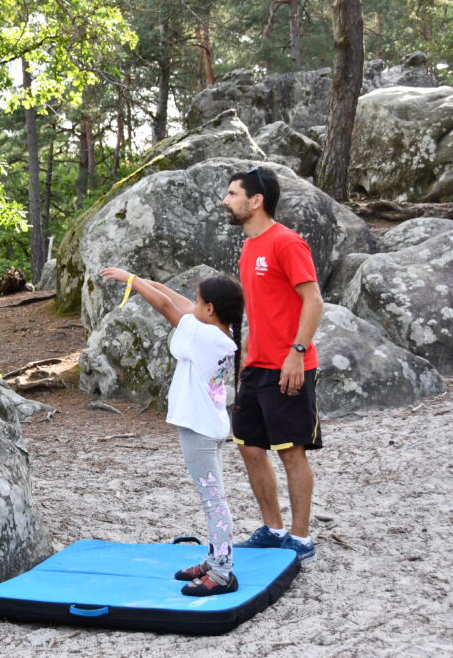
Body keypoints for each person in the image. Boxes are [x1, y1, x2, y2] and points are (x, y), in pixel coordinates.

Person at [100, 267, 245, 596]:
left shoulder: (204, 336)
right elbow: (179, 303)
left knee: (214, 501)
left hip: (199, 430)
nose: (193, 305)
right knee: (214, 498)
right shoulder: (219, 332)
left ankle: (223, 572)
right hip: (207, 425)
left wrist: (131, 281)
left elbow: (168, 307)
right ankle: (215, 559)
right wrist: (146, 281)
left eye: (199, 301)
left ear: (210, 309)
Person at [222, 166, 324, 563]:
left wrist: (297, 353)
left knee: (290, 452)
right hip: (256, 366)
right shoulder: (249, 248)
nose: (226, 201)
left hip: (289, 364)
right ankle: (273, 529)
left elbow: (313, 300)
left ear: (256, 200)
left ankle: (300, 538)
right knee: (249, 446)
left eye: (233, 194)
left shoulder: (287, 242)